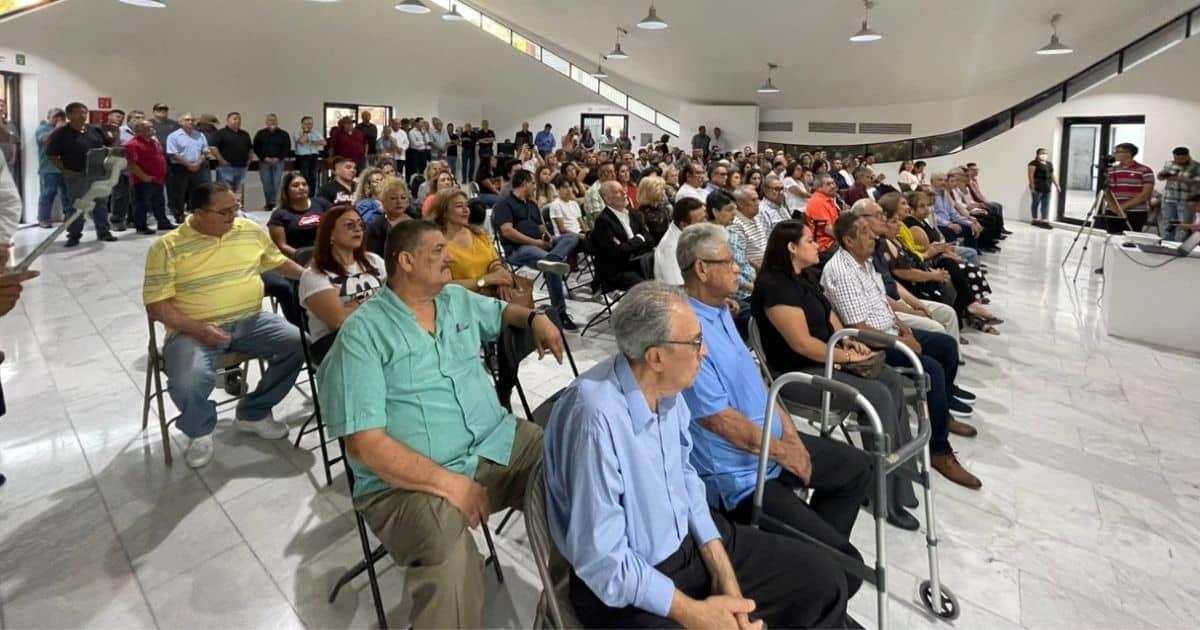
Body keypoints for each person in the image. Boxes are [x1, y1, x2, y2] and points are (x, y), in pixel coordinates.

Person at [543, 281, 854, 629]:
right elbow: (603, 560)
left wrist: (724, 571)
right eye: (695, 342)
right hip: (628, 584)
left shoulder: (668, 391)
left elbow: (687, 482)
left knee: (824, 580)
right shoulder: (594, 417)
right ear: (656, 356)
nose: (704, 352)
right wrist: (698, 615)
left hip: (687, 545)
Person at [317, 219, 563, 629]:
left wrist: (534, 317)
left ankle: (574, 606)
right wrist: (449, 484)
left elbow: (502, 310)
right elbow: (366, 446)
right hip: (406, 483)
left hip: (494, 443)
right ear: (406, 261)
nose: (449, 256)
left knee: (572, 478)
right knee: (450, 560)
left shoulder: (453, 300)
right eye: (437, 251)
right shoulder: (363, 334)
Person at [676, 222, 875, 580]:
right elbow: (719, 420)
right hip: (740, 476)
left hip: (771, 445)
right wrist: (785, 453)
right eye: (728, 260)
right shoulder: (685, 330)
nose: (739, 266)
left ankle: (810, 566)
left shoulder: (722, 311)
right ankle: (818, 576)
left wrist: (793, 438)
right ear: (701, 269)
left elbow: (761, 383)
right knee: (851, 568)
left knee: (857, 468)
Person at [751, 220, 921, 529]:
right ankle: (882, 493)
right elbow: (801, 344)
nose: (817, 244)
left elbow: (829, 315)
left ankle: (901, 475)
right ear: (791, 248)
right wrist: (843, 355)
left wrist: (847, 339)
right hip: (797, 373)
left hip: (826, 359)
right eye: (809, 241)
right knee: (877, 395)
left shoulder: (805, 277)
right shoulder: (774, 286)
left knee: (892, 381)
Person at [143, 182, 305, 468]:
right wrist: (198, 329)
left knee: (299, 343)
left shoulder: (249, 231)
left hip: (251, 320)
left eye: (236, 207)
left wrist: (311, 278)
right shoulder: (167, 248)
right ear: (197, 213)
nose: (234, 215)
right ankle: (200, 430)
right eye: (224, 211)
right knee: (189, 379)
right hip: (193, 331)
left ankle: (253, 412)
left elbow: (276, 262)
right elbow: (157, 306)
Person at [821, 213, 981, 488]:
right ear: (848, 240)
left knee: (946, 346)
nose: (873, 236)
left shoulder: (865, 262)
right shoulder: (841, 271)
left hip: (890, 330)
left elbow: (881, 301)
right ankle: (939, 450)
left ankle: (941, 413)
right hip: (871, 343)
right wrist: (901, 343)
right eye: (865, 232)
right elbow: (860, 326)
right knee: (930, 369)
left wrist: (903, 328)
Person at [493, 169, 580, 328]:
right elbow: (507, 232)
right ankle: (560, 313)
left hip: (538, 243)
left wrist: (546, 237)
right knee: (551, 266)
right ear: (524, 183)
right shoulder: (503, 205)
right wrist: (536, 242)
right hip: (518, 249)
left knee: (572, 237)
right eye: (533, 183)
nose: (535, 186)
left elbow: (541, 227)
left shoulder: (532, 204)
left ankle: (554, 257)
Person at [299, 204, 385, 362]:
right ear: (330, 233)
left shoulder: (374, 261)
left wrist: (355, 305)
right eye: (349, 225)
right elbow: (340, 322)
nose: (358, 229)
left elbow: (398, 298)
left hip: (378, 334)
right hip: (336, 346)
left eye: (361, 224)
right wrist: (379, 301)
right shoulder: (314, 275)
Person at [45, 102, 117, 247]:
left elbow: (110, 144)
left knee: (100, 204)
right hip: (76, 175)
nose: (83, 116)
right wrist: (65, 170)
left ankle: (104, 232)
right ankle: (74, 235)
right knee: (76, 206)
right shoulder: (61, 133)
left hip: (98, 174)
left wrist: (114, 135)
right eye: (79, 113)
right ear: (69, 115)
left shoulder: (94, 130)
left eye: (85, 112)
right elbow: (51, 154)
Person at [591, 180, 653, 290]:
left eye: (623, 189)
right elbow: (618, 252)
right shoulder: (603, 221)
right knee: (647, 289)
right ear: (608, 199)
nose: (625, 193)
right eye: (618, 192)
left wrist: (631, 244)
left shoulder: (634, 214)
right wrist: (639, 238)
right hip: (619, 269)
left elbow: (649, 240)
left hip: (641, 261)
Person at [124, 120, 175, 234]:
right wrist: (143, 176)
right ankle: (141, 227)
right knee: (141, 204)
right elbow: (132, 163)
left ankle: (163, 222)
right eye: (149, 128)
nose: (153, 130)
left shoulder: (154, 142)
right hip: (143, 180)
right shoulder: (132, 144)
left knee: (159, 202)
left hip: (158, 179)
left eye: (152, 127)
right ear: (138, 130)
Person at [164, 113, 212, 223]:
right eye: (187, 120)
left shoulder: (200, 135)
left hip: (198, 167)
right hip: (180, 167)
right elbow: (174, 153)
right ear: (180, 122)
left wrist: (197, 164)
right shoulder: (173, 136)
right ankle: (179, 215)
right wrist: (189, 165)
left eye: (192, 120)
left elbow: (205, 151)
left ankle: (197, 213)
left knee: (199, 192)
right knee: (178, 193)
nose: (190, 122)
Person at [269, 171, 329, 257]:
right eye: (295, 185)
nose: (301, 188)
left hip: (325, 255)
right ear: (286, 190)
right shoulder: (279, 215)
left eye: (304, 184)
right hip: (298, 259)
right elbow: (282, 246)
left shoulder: (322, 204)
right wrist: (303, 257)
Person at [1102, 142, 1155, 234]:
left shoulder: (1145, 170)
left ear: (1129, 154)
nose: (1115, 154)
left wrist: (1122, 207)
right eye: (1115, 151)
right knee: (1112, 238)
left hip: (1135, 212)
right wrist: (1115, 208)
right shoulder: (1111, 170)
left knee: (1130, 240)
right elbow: (1107, 191)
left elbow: (1145, 194)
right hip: (1113, 211)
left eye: (1119, 152)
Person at [654, 197, 707, 286]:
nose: (706, 223)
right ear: (684, 225)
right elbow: (678, 286)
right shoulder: (670, 248)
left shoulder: (691, 235)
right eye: (700, 221)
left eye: (705, 218)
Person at [1157, 147, 1200, 241]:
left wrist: (1184, 180)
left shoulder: (1196, 166)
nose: (1178, 161)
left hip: (1186, 199)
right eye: (1176, 159)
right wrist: (1163, 174)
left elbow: (1198, 182)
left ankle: (1180, 245)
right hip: (1169, 197)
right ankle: (1167, 243)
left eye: (1181, 159)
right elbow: (1159, 177)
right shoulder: (1169, 164)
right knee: (1168, 223)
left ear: (1187, 156)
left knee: (1183, 224)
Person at [35, 108, 68, 229]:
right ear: (49, 118)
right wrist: (57, 129)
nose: (59, 119)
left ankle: (69, 217)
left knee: (68, 194)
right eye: (56, 117)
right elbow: (44, 139)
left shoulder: (67, 130)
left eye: (62, 117)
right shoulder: (42, 128)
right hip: (48, 168)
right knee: (47, 194)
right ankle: (43, 218)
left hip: (65, 168)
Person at [365, 176, 412, 256]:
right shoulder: (376, 227)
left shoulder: (416, 219)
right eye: (393, 198)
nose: (399, 202)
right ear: (383, 201)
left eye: (403, 198)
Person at [253, 114, 291, 212]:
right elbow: (256, 148)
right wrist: (264, 158)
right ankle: (269, 203)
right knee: (267, 183)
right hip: (264, 162)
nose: (272, 122)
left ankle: (276, 204)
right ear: (266, 122)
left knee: (277, 183)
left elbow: (287, 148)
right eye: (270, 120)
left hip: (279, 162)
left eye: (274, 120)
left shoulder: (284, 134)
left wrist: (278, 158)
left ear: (277, 122)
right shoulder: (260, 133)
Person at [211, 112, 254, 194]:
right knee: (225, 192)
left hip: (242, 167)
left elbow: (250, 148)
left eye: (239, 119)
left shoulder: (244, 134)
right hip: (226, 168)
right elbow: (213, 148)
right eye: (235, 119)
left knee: (238, 193)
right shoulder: (221, 133)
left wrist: (249, 159)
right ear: (227, 120)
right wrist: (221, 160)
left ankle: (236, 207)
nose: (237, 121)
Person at [965, 163, 1010, 236]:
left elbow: (979, 193)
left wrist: (987, 201)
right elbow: (976, 196)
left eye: (977, 170)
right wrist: (984, 203)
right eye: (974, 170)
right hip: (976, 202)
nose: (976, 171)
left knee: (998, 206)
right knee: (994, 208)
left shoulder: (974, 180)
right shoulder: (968, 183)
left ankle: (1000, 228)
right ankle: (996, 232)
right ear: (968, 171)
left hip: (977, 202)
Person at [730, 185, 767, 266]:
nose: (758, 203)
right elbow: (741, 256)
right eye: (753, 200)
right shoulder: (736, 224)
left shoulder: (757, 217)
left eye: (758, 199)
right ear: (740, 204)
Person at [805, 175, 841, 256]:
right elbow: (827, 229)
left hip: (833, 239)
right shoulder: (817, 202)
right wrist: (846, 239)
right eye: (828, 184)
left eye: (833, 183)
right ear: (819, 188)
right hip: (825, 246)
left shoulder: (827, 198)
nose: (833, 186)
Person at [1027, 148, 1059, 228]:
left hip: (1047, 186)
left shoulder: (1049, 164)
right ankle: (1035, 219)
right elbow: (1030, 176)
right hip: (1038, 185)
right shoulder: (1033, 163)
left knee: (1046, 203)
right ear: (1037, 154)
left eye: (1045, 153)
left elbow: (1052, 175)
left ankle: (1044, 220)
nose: (1044, 155)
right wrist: (1032, 187)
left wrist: (1057, 185)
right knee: (1036, 202)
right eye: (1042, 153)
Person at [636, 174, 672, 245]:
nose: (664, 192)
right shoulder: (641, 214)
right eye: (662, 189)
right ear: (653, 191)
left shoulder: (663, 209)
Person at [293, 116, 325, 195]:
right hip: (303, 157)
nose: (309, 125)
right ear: (302, 124)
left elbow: (324, 142)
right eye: (307, 123)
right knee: (304, 177)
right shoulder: (297, 132)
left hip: (314, 156)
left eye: (311, 123)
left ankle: (311, 197)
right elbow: (302, 141)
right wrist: (306, 133)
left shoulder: (316, 132)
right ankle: (303, 195)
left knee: (313, 178)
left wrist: (313, 141)